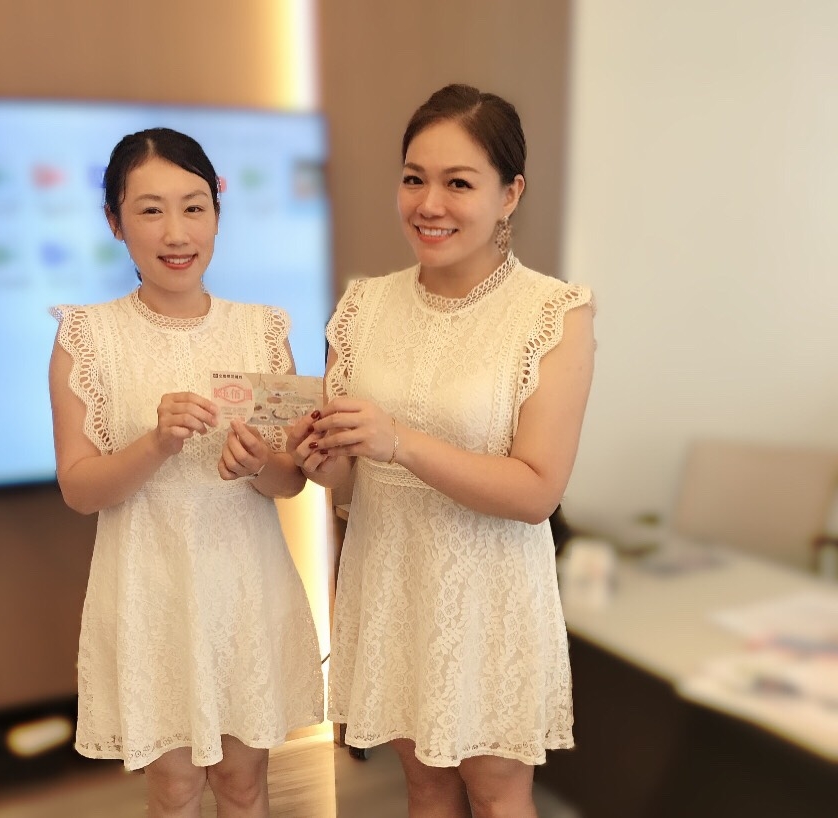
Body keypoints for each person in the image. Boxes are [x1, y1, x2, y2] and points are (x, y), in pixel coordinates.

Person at [287, 84, 595, 818]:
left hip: (491, 593)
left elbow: (537, 492)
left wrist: (398, 441)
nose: (429, 204)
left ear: (509, 194)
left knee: (497, 792)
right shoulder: (363, 306)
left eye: (458, 183)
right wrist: (319, 457)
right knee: (424, 785)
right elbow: (346, 476)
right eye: (414, 178)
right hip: (392, 578)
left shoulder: (553, 313)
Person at [48, 127, 323, 818]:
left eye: (194, 207)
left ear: (217, 215)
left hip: (245, 583)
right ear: (115, 222)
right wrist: (155, 444)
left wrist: (258, 466)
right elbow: (79, 488)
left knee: (243, 784)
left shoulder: (262, 330)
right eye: (150, 210)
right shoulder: (87, 336)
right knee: (173, 790)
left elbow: (290, 480)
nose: (176, 232)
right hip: (151, 590)